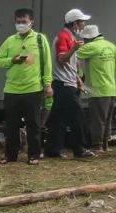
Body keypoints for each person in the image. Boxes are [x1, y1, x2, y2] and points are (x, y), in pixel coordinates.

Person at [0, 8, 53, 165]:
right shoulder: (9, 40)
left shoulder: (40, 40)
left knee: (33, 124)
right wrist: (11, 60)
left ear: (31, 22)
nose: (20, 24)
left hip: (33, 88)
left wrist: (47, 84)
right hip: (11, 89)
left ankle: (33, 155)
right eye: (18, 22)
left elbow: (47, 64)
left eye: (24, 22)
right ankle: (10, 155)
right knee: (11, 125)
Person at [45, 9, 95, 159]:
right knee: (77, 116)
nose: (84, 25)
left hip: (66, 83)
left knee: (59, 118)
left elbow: (70, 64)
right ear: (74, 23)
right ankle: (80, 149)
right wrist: (74, 49)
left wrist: (78, 79)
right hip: (64, 84)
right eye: (81, 22)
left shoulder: (70, 36)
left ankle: (53, 149)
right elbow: (61, 59)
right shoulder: (64, 36)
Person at [77, 25, 116, 153]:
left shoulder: (91, 47)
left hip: (98, 90)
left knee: (97, 120)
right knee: (107, 119)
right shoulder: (111, 46)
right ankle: (105, 145)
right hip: (111, 88)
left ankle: (97, 146)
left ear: (88, 38)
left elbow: (73, 54)